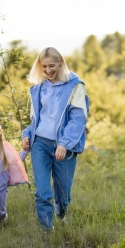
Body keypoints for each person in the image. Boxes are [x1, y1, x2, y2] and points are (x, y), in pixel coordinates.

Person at [21, 47, 89, 231]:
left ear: (61, 62)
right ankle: (46, 230)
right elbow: (37, 120)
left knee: (63, 193)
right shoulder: (39, 88)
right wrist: (27, 135)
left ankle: (61, 213)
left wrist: (64, 144)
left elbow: (78, 119)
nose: (48, 70)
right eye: (44, 67)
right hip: (40, 144)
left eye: (52, 65)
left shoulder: (75, 86)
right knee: (43, 192)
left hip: (63, 145)